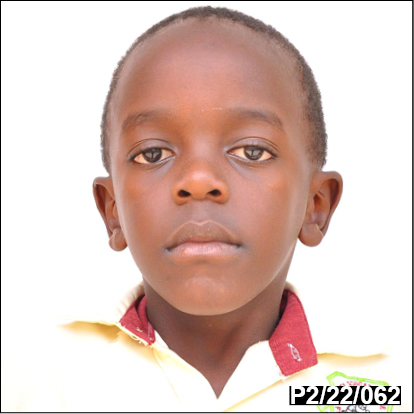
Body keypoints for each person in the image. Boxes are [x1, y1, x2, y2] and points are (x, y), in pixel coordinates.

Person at [2, 6, 409, 412]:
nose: (198, 180)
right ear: (112, 211)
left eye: (252, 151)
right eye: (152, 153)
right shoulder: (28, 376)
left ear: (315, 205)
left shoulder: (392, 383)